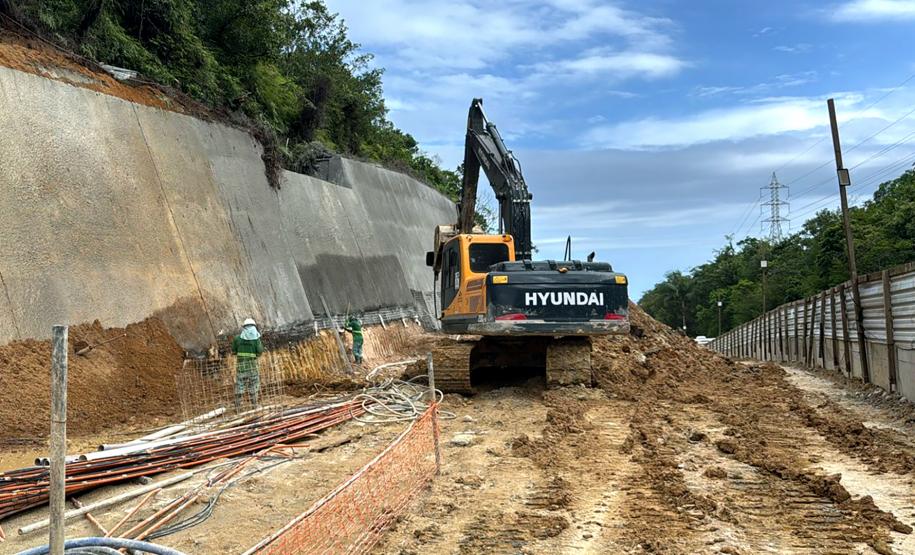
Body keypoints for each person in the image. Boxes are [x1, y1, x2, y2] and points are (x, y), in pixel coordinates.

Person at [231, 317, 264, 410]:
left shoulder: (237, 339)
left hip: (241, 367)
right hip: (253, 367)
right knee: (254, 385)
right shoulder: (256, 339)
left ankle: (238, 407)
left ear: (244, 327)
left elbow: (233, 351)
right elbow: (260, 351)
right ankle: (254, 405)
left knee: (240, 385)